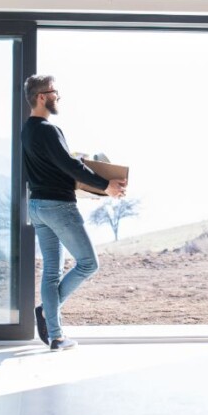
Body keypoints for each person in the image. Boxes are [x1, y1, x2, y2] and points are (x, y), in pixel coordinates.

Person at [22, 74, 126, 351]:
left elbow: (52, 166)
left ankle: (56, 336)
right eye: (54, 92)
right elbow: (68, 167)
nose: (58, 97)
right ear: (42, 96)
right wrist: (107, 185)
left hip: (38, 206)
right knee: (88, 263)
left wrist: (72, 164)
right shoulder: (48, 130)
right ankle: (47, 311)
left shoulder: (27, 131)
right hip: (58, 207)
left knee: (51, 272)